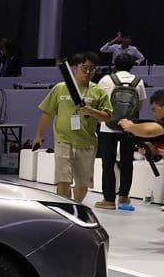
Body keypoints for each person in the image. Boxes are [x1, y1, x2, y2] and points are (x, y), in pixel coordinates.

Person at [32, 52, 112, 202]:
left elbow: (107, 117)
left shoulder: (98, 91)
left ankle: (77, 205)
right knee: (63, 180)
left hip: (87, 142)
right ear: (75, 68)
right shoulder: (60, 88)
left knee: (82, 183)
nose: (88, 72)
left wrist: (92, 111)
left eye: (92, 69)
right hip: (63, 140)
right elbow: (47, 112)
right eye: (84, 68)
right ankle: (65, 206)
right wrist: (38, 135)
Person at [119, 89, 164, 248]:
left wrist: (130, 126)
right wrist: (158, 152)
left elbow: (149, 130)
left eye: (154, 110)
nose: (154, 115)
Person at [95, 52, 146, 211]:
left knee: (108, 163)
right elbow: (139, 106)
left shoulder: (106, 79)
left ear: (115, 65)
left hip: (107, 126)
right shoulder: (138, 82)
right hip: (129, 127)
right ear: (132, 66)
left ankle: (109, 199)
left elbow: (98, 100)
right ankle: (124, 197)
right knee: (127, 163)